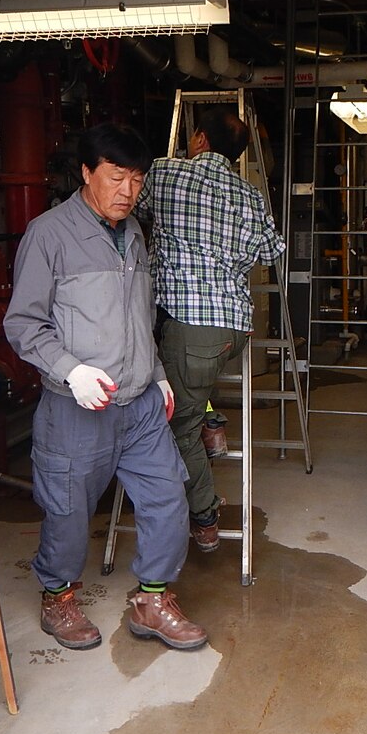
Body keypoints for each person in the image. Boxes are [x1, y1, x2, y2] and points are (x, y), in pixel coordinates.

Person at [3, 122, 207, 652]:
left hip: (139, 405)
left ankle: (152, 601)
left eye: (137, 180)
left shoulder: (134, 232)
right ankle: (59, 599)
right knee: (69, 510)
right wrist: (71, 369)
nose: (127, 192)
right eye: (116, 177)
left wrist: (158, 375)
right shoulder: (48, 234)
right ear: (87, 172)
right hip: (78, 407)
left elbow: (139, 316)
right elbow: (23, 323)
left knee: (167, 498)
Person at [134, 106, 285, 552]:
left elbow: (123, 207)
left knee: (175, 426)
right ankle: (211, 419)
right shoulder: (251, 195)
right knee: (188, 382)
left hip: (188, 325)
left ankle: (203, 516)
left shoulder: (164, 173)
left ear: (198, 139)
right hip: (233, 327)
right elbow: (272, 251)